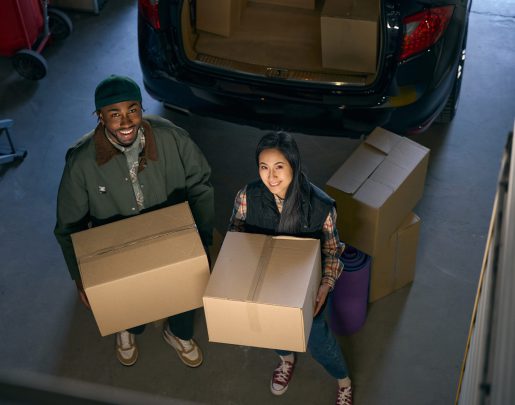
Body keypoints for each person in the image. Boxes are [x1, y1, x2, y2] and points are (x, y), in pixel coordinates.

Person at [54, 75, 214, 368]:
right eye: (114, 114)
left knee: (186, 288)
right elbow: (68, 226)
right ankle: (127, 329)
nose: (126, 121)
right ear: (99, 117)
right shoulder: (81, 162)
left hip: (172, 233)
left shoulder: (173, 138)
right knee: (126, 298)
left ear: (141, 108)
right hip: (118, 243)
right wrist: (80, 276)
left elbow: (200, 185)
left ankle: (177, 333)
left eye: (133, 110)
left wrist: (202, 240)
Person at [228, 131, 353, 405]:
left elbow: (332, 251)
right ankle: (285, 359)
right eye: (264, 167)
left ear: (293, 165)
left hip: (308, 291)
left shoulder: (321, 206)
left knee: (318, 340)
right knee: (274, 329)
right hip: (268, 283)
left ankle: (343, 380)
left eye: (279, 167)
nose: (271, 177)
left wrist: (325, 286)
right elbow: (235, 235)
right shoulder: (247, 196)